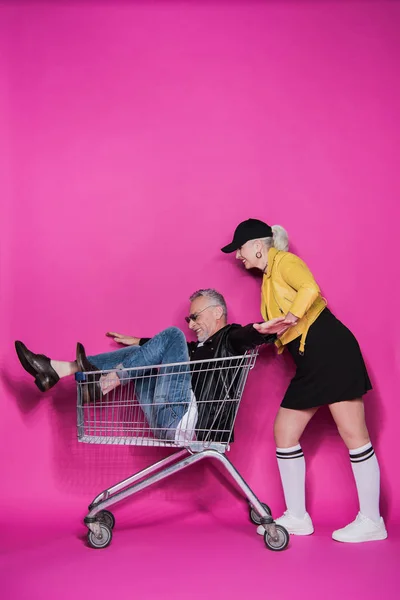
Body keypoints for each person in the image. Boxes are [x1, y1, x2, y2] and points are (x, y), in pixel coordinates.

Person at [221, 219, 387, 543]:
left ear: (258, 245)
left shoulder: (285, 262)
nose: (238, 257)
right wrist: (267, 332)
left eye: (239, 250)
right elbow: (280, 325)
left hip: (330, 351)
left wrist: (291, 318)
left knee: (354, 435)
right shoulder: (267, 279)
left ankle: (372, 519)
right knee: (284, 433)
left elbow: (310, 288)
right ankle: (297, 516)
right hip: (309, 360)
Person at [15, 288, 284, 443]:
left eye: (194, 317)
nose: (190, 324)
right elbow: (163, 352)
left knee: (172, 335)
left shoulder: (230, 337)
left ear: (217, 312)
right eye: (188, 319)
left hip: (195, 423)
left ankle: (103, 383)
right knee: (140, 352)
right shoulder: (197, 349)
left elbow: (246, 336)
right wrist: (141, 341)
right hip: (165, 420)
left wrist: (263, 331)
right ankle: (58, 369)